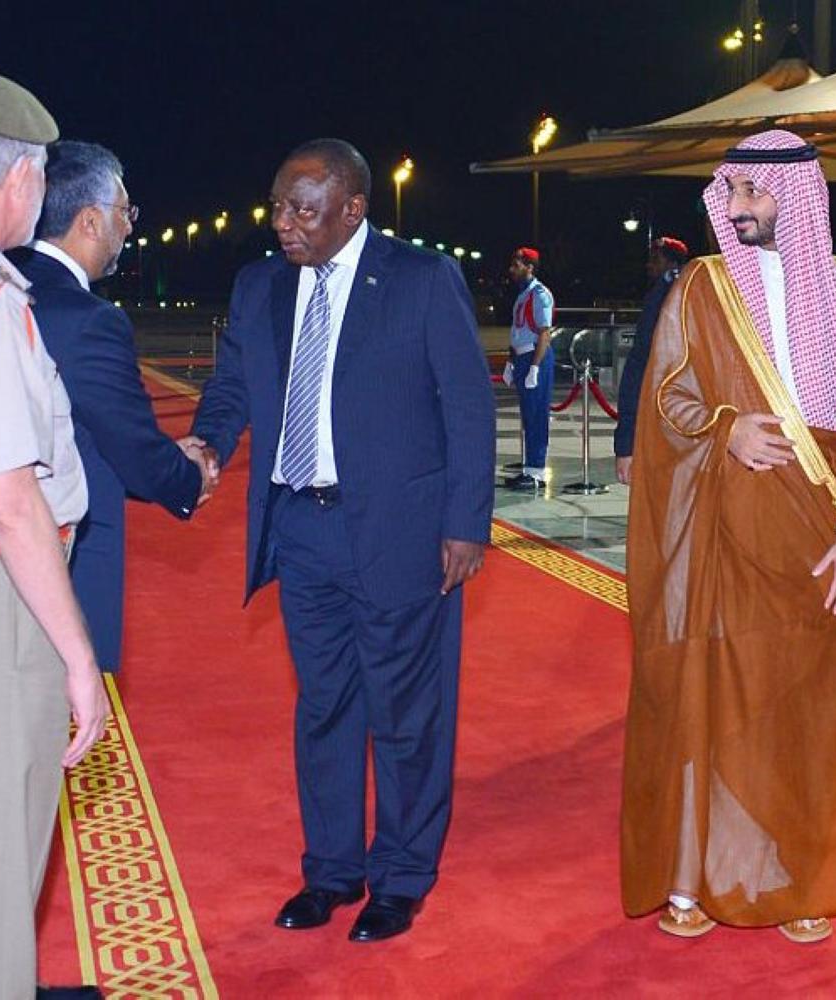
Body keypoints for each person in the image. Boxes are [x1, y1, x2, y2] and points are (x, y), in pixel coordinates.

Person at [189, 139, 495, 942]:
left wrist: (467, 523)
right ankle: (331, 873)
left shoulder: (422, 281)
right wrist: (207, 444)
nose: (282, 222)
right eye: (279, 206)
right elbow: (229, 386)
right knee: (324, 707)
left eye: (303, 210)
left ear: (352, 209)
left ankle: (400, 877)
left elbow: (467, 405)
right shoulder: (259, 287)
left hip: (401, 533)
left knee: (404, 713)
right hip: (299, 529)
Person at [621, 130, 836, 944]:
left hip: (824, 542)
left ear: (800, 196)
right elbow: (666, 403)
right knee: (712, 701)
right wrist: (723, 431)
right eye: (732, 195)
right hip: (727, 535)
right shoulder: (703, 289)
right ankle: (691, 877)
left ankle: (797, 873)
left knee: (806, 712)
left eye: (752, 194)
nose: (737, 210)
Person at [0, 70, 108, 1000]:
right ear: (19, 177)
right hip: (4, 600)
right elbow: (10, 500)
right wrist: (76, 657)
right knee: (2, 851)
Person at [9, 140, 213, 672]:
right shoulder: (88, 319)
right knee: (50, 728)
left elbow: (67, 435)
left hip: (7, 551)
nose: (130, 228)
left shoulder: (5, 287)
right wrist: (188, 476)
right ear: (91, 221)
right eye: (125, 213)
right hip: (58, 562)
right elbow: (130, 444)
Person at [614, 236, 689, 484]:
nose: (650, 266)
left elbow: (640, 360)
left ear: (671, 263)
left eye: (656, 260)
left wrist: (625, 443)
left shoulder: (669, 294)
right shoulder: (664, 293)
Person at [502, 246, 554, 490]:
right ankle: (529, 468)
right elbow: (517, 333)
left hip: (536, 357)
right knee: (528, 416)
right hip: (523, 358)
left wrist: (535, 367)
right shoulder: (523, 295)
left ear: (529, 267)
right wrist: (511, 362)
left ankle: (537, 473)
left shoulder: (539, 294)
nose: (513, 269)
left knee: (537, 416)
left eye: (517, 265)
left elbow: (544, 333)